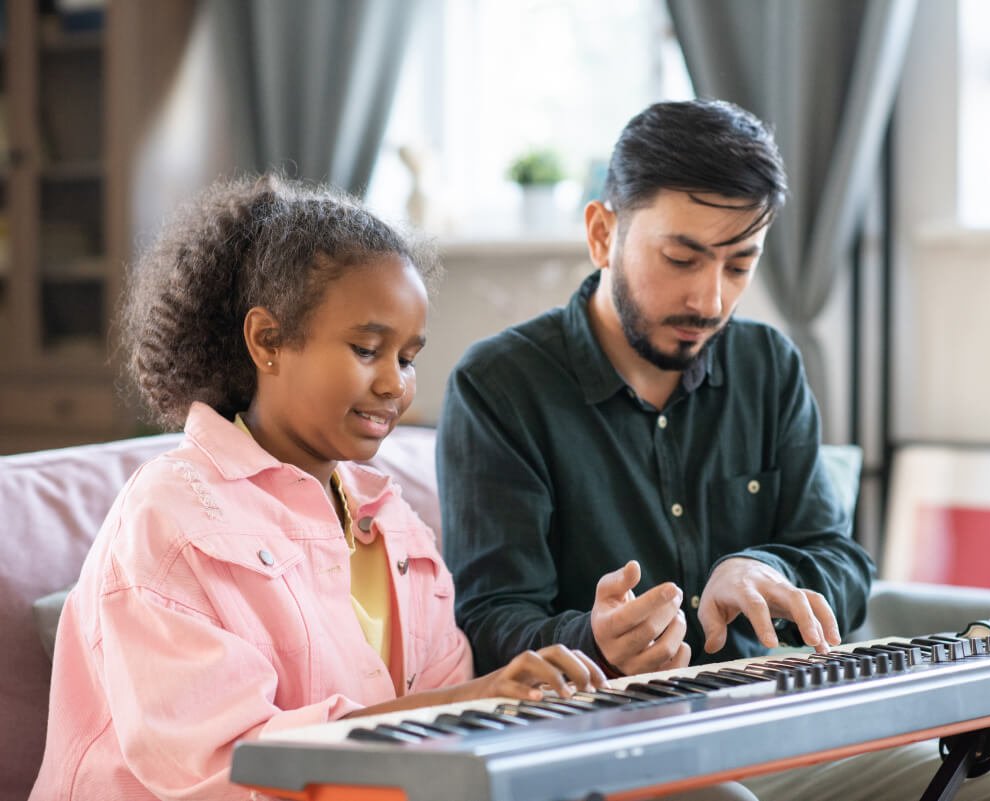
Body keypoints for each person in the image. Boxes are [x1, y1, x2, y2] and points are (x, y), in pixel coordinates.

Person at [437, 100, 990, 801]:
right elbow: (486, 623)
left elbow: (843, 563)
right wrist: (595, 639)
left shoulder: (767, 366)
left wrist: (764, 565)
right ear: (603, 233)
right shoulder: (499, 386)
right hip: (598, 743)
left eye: (739, 264)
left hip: (772, 727)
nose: (709, 297)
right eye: (681, 257)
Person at [28, 175, 616, 801]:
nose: (395, 385)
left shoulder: (395, 527)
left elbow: (443, 747)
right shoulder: (169, 519)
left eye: (409, 357)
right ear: (267, 341)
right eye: (368, 349)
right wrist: (469, 702)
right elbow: (231, 768)